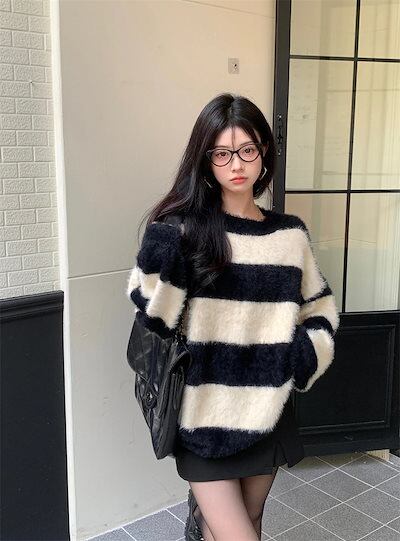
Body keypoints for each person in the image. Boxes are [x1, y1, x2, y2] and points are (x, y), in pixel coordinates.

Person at [126, 93, 340, 541]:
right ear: (206, 161)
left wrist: (299, 358)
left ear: (264, 152)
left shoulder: (289, 234)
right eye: (222, 153)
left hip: (267, 408)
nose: (236, 164)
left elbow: (319, 307)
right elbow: (153, 320)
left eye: (247, 150)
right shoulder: (184, 231)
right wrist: (162, 252)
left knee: (249, 524)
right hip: (201, 416)